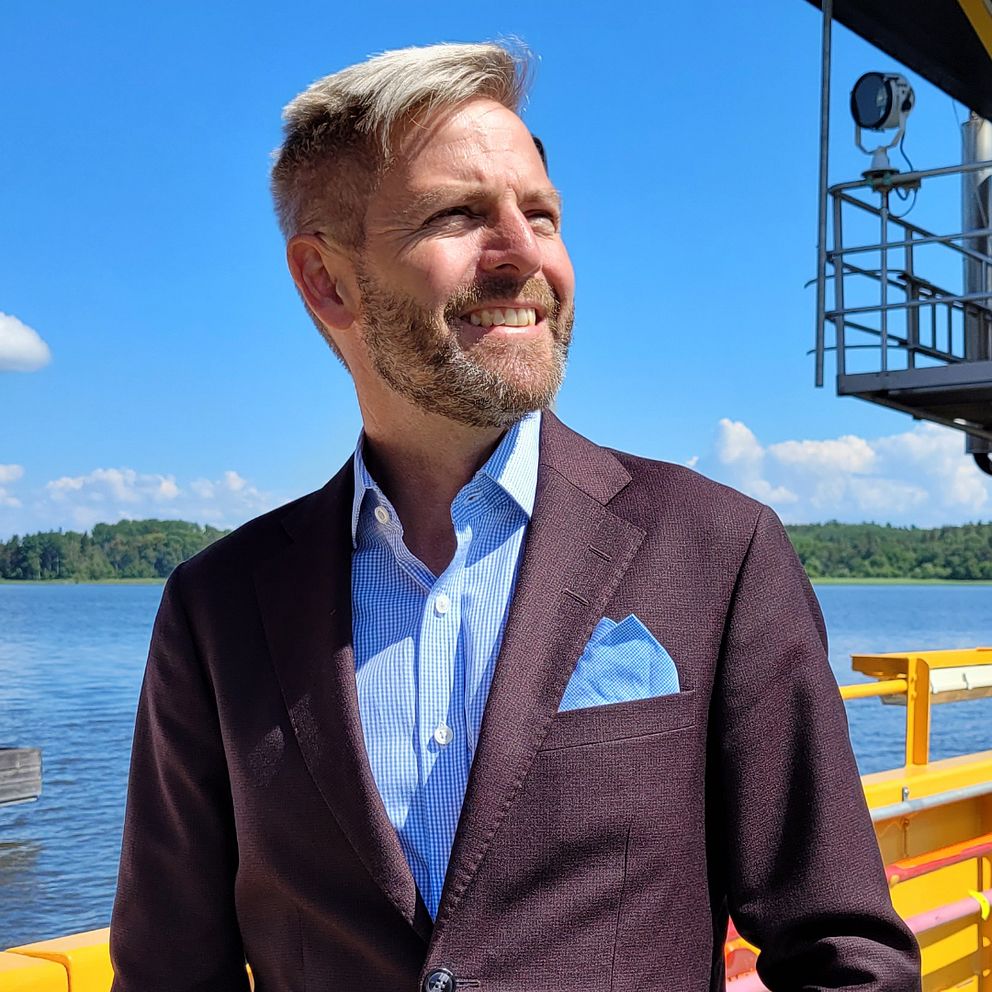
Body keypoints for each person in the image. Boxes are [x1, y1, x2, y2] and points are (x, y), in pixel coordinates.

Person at [109, 41, 920, 992]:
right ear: (326, 280)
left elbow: (845, 955)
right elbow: (168, 972)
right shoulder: (218, 609)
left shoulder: (718, 551)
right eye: (458, 215)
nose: (525, 253)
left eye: (541, 214)